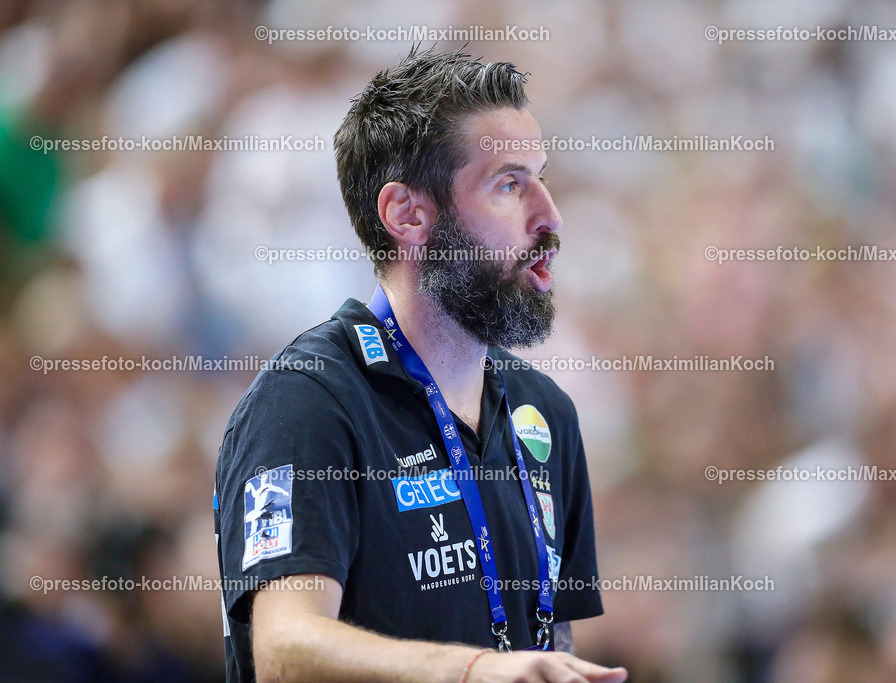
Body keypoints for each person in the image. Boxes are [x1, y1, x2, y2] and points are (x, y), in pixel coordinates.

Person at [215, 47, 628, 682]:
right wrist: (470, 672)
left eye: (543, 178)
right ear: (408, 216)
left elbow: (552, 642)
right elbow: (283, 654)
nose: (550, 215)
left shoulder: (544, 412)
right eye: (509, 184)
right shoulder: (308, 400)